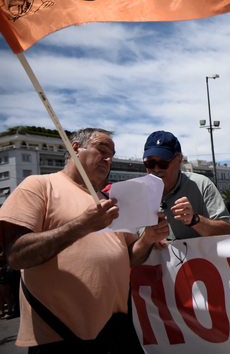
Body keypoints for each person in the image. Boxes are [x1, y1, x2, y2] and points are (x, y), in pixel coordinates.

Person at [0, 128, 169, 353]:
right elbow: (16, 256)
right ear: (76, 149)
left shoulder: (109, 201)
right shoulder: (39, 186)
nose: (108, 159)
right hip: (59, 335)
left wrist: (148, 238)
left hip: (115, 331)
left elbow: (131, 257)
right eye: (102, 150)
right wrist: (82, 225)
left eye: (111, 155)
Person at [143, 131, 230, 240]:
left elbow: (227, 231)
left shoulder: (202, 185)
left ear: (179, 161)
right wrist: (146, 241)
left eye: (163, 163)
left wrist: (195, 220)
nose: (156, 169)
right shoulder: (135, 193)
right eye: (150, 163)